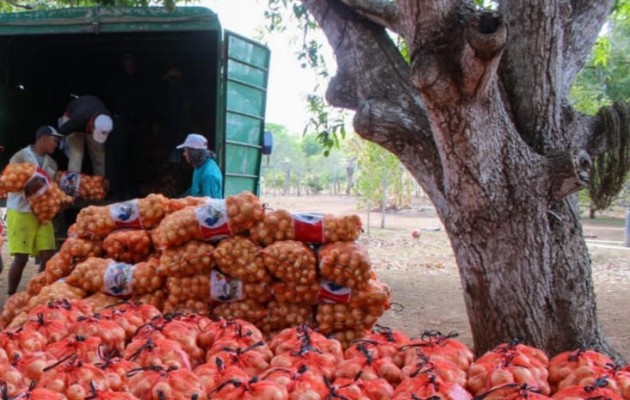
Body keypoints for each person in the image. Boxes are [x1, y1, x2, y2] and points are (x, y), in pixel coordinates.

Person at [4, 126, 62, 295]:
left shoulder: (52, 164)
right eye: (54, 140)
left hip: (42, 215)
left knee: (48, 255)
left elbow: (51, 189)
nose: (56, 144)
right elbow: (9, 181)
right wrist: (27, 188)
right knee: (21, 258)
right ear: (43, 138)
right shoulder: (20, 156)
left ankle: (36, 292)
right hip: (21, 212)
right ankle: (11, 295)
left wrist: (59, 200)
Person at [58, 95, 113, 177]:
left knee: (99, 154)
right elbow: (61, 132)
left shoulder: (107, 122)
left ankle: (99, 183)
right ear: (92, 125)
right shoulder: (78, 119)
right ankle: (72, 185)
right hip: (72, 118)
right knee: (77, 153)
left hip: (90, 114)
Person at [176, 133, 223, 198]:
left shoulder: (209, 175)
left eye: (185, 151)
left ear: (193, 152)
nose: (184, 154)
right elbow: (194, 190)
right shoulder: (199, 166)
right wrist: (179, 199)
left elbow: (211, 206)